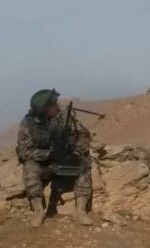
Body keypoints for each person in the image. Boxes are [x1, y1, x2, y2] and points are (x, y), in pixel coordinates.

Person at [16, 88, 93, 227]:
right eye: (53, 105)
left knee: (84, 165)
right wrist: (48, 155)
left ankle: (81, 210)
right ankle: (38, 210)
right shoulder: (27, 124)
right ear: (44, 109)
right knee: (30, 168)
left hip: (66, 158)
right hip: (44, 164)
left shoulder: (65, 116)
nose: (57, 107)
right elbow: (24, 152)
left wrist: (75, 152)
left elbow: (84, 135)